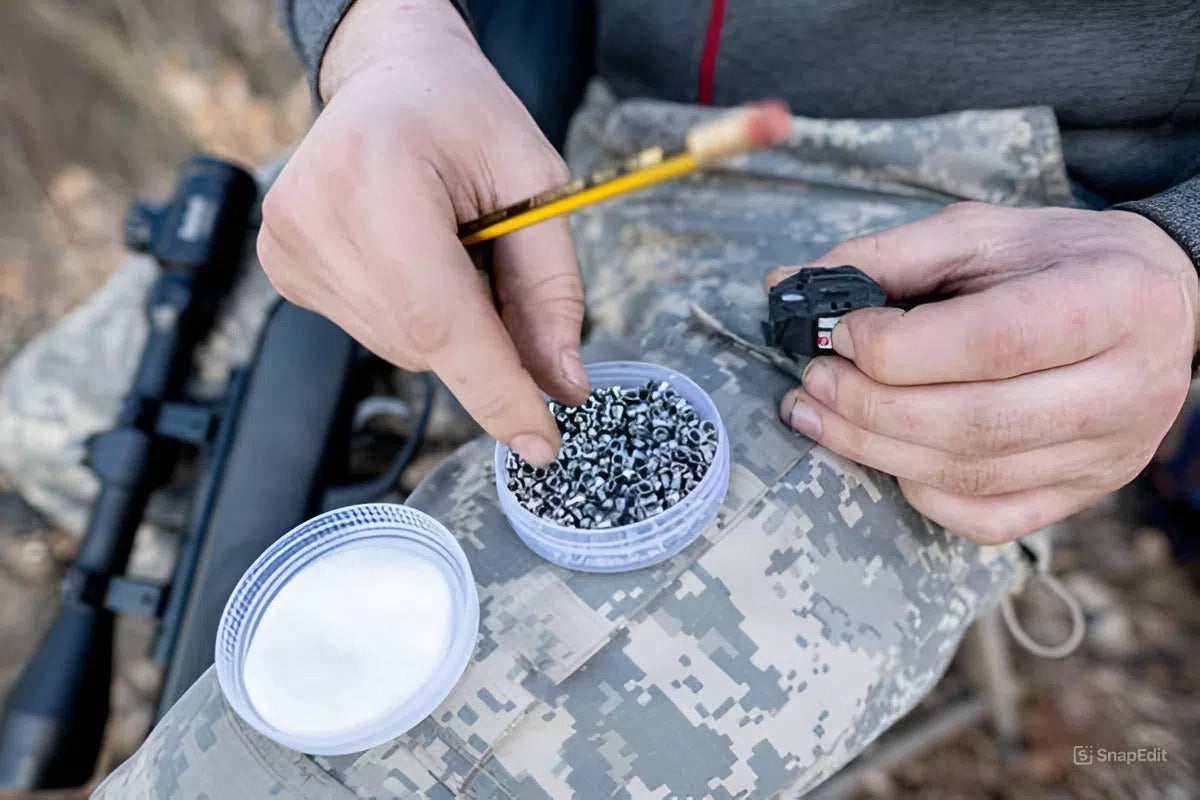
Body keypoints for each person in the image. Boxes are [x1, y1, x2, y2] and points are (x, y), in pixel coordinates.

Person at [0, 0, 1189, 796]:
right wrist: (380, 38)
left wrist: (1182, 252)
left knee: (277, 773)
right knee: (44, 432)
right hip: (517, 86)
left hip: (968, 197)